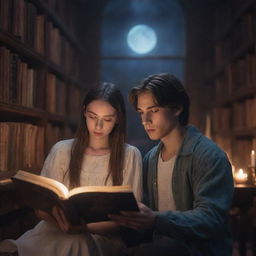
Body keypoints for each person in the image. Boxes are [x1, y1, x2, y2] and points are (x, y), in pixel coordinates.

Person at [0, 83, 142, 256]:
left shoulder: (129, 155)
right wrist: (60, 219)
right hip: (53, 232)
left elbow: (128, 216)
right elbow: (41, 208)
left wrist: (82, 228)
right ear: (84, 113)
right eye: (92, 116)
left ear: (118, 118)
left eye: (107, 119)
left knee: (76, 242)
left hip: (101, 238)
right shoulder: (62, 150)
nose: (98, 126)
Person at [110, 73, 234, 256]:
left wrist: (155, 220)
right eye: (141, 112)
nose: (145, 121)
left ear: (176, 109)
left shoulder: (209, 155)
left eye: (153, 110)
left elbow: (211, 218)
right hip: (160, 246)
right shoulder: (150, 159)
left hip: (197, 250)